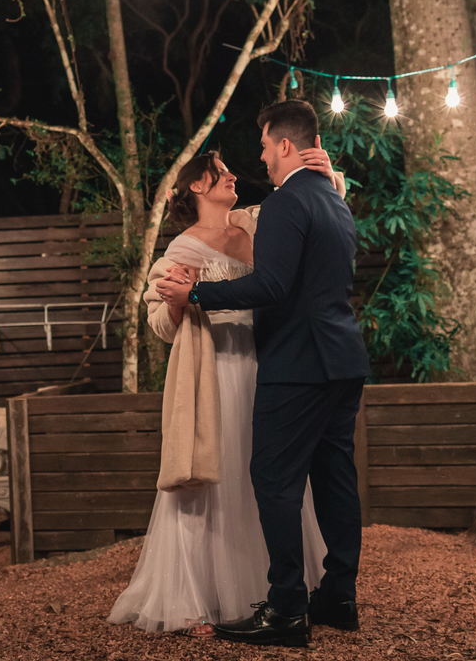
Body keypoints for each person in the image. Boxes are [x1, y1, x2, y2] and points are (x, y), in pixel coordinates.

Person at [107, 141, 345, 637]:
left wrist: (329, 174)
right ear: (197, 186)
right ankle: (198, 596)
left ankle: (284, 590)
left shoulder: (257, 222)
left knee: (274, 476)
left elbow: (309, 210)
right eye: (220, 172)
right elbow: (161, 324)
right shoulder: (181, 248)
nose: (234, 175)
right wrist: (178, 298)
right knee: (220, 475)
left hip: (272, 362)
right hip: (218, 372)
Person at [155, 99, 371, 648]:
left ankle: (285, 608)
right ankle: (339, 596)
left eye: (263, 147)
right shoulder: (333, 202)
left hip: (296, 364)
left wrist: (198, 291)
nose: (256, 161)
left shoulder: (280, 205)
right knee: (334, 479)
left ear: (283, 145)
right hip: (342, 358)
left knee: (274, 483)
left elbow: (271, 287)